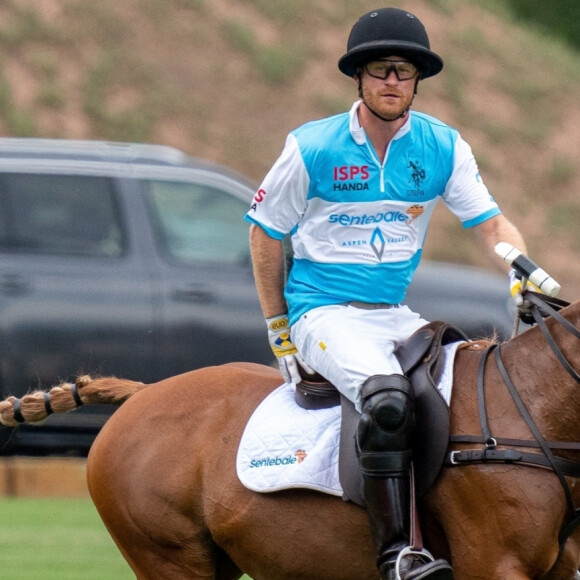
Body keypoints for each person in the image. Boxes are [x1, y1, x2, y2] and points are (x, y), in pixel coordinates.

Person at [245, 7, 527, 580]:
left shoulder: (443, 147)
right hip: (322, 314)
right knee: (388, 400)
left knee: (474, 396)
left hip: (396, 315)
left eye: (402, 70)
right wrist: (280, 332)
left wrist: (522, 268)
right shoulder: (312, 146)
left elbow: (493, 225)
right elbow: (265, 234)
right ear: (359, 77)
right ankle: (397, 553)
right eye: (380, 70)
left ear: (417, 78)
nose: (391, 81)